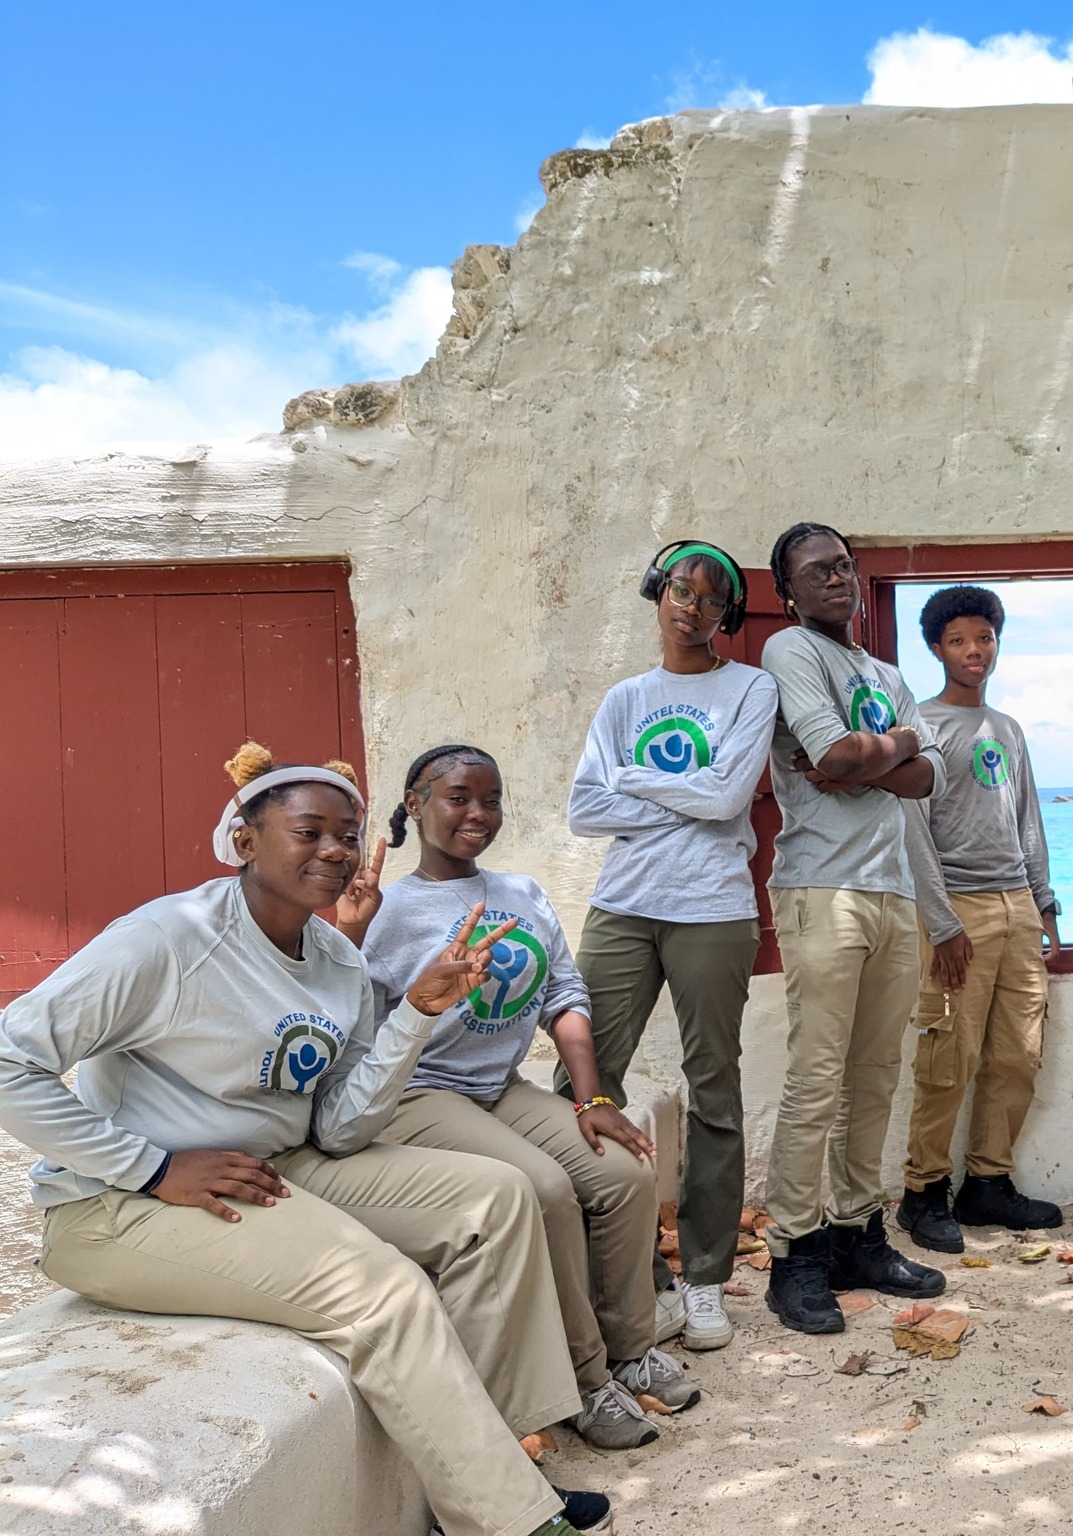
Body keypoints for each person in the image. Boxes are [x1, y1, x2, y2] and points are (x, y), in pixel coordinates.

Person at [0, 745, 613, 1536]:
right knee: (384, 1291)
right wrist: (150, 1166)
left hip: (278, 1165)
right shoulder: (170, 938)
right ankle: (514, 1522)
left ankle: (485, 1469)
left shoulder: (332, 959)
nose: (334, 851)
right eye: (309, 831)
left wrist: (417, 1013)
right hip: (120, 1208)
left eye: (348, 834)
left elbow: (343, 1125)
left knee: (497, 1197)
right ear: (244, 839)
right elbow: (10, 1058)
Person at [353, 743, 699, 1454]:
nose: (478, 813)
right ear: (415, 806)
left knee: (624, 1171)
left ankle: (629, 1349)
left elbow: (564, 996)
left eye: (491, 798)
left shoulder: (523, 893)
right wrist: (348, 930)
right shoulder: (385, 911)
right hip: (419, 1092)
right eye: (457, 797)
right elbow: (352, 1016)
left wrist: (591, 1094)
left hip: (496, 1087)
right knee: (543, 1188)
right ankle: (583, 1379)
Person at [565, 540, 777, 1353]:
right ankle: (627, 1275)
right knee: (583, 1079)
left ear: (727, 613)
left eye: (710, 596)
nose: (691, 605)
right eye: (679, 589)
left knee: (712, 1088)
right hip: (623, 906)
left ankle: (705, 1280)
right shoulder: (626, 698)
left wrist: (633, 781)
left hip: (712, 908)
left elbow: (729, 799)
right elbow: (584, 811)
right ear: (657, 595)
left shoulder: (749, 688)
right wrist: (680, 799)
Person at [758, 522, 949, 1334]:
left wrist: (879, 751)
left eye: (843, 565)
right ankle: (793, 1255)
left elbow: (926, 777)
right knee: (815, 1080)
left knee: (875, 1076)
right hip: (821, 888)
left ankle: (856, 1233)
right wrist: (874, 756)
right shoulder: (791, 653)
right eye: (816, 571)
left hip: (893, 892)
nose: (835, 579)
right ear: (788, 591)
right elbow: (829, 757)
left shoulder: (886, 672)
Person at [894, 585, 1064, 1253]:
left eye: (984, 638)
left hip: (1015, 907)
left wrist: (1043, 903)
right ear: (936, 648)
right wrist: (941, 923)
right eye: (959, 640)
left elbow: (1027, 819)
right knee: (946, 1059)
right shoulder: (922, 729)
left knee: (1018, 1055)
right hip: (955, 911)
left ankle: (988, 1182)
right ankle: (922, 1192)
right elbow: (914, 833)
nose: (974, 651)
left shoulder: (1010, 729)